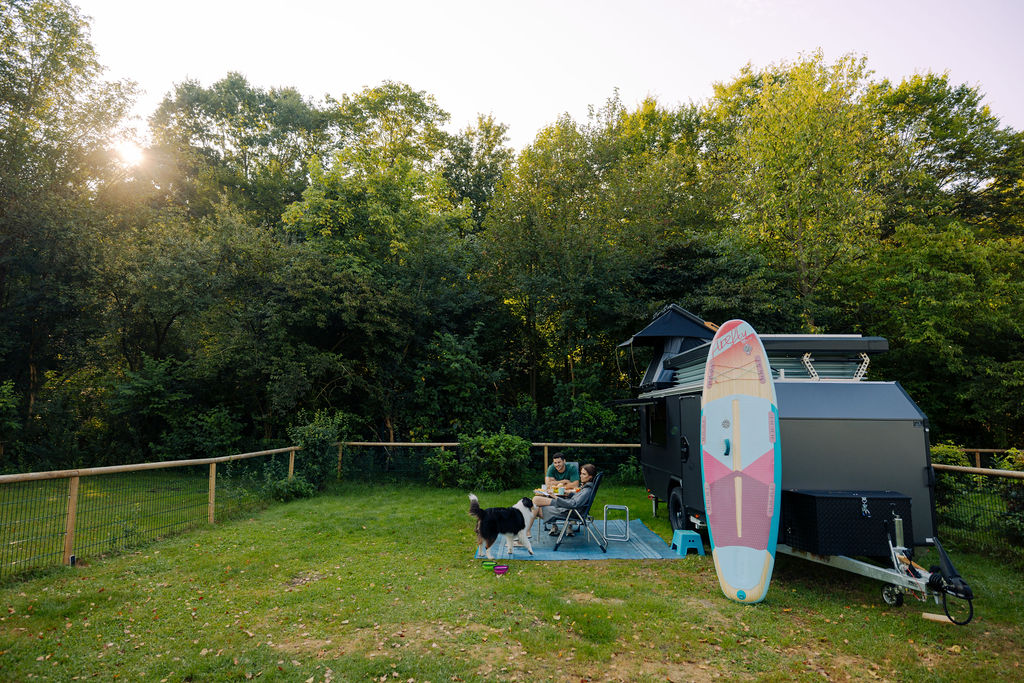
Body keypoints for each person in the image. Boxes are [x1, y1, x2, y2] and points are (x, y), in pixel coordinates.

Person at [532, 463, 597, 536]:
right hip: (568, 508)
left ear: (590, 477)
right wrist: (569, 494)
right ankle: (527, 532)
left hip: (569, 511)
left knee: (536, 505)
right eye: (581, 473)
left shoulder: (587, 490)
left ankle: (527, 532)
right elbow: (577, 499)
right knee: (535, 504)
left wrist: (554, 496)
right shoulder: (586, 488)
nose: (580, 476)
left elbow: (573, 504)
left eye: (584, 474)